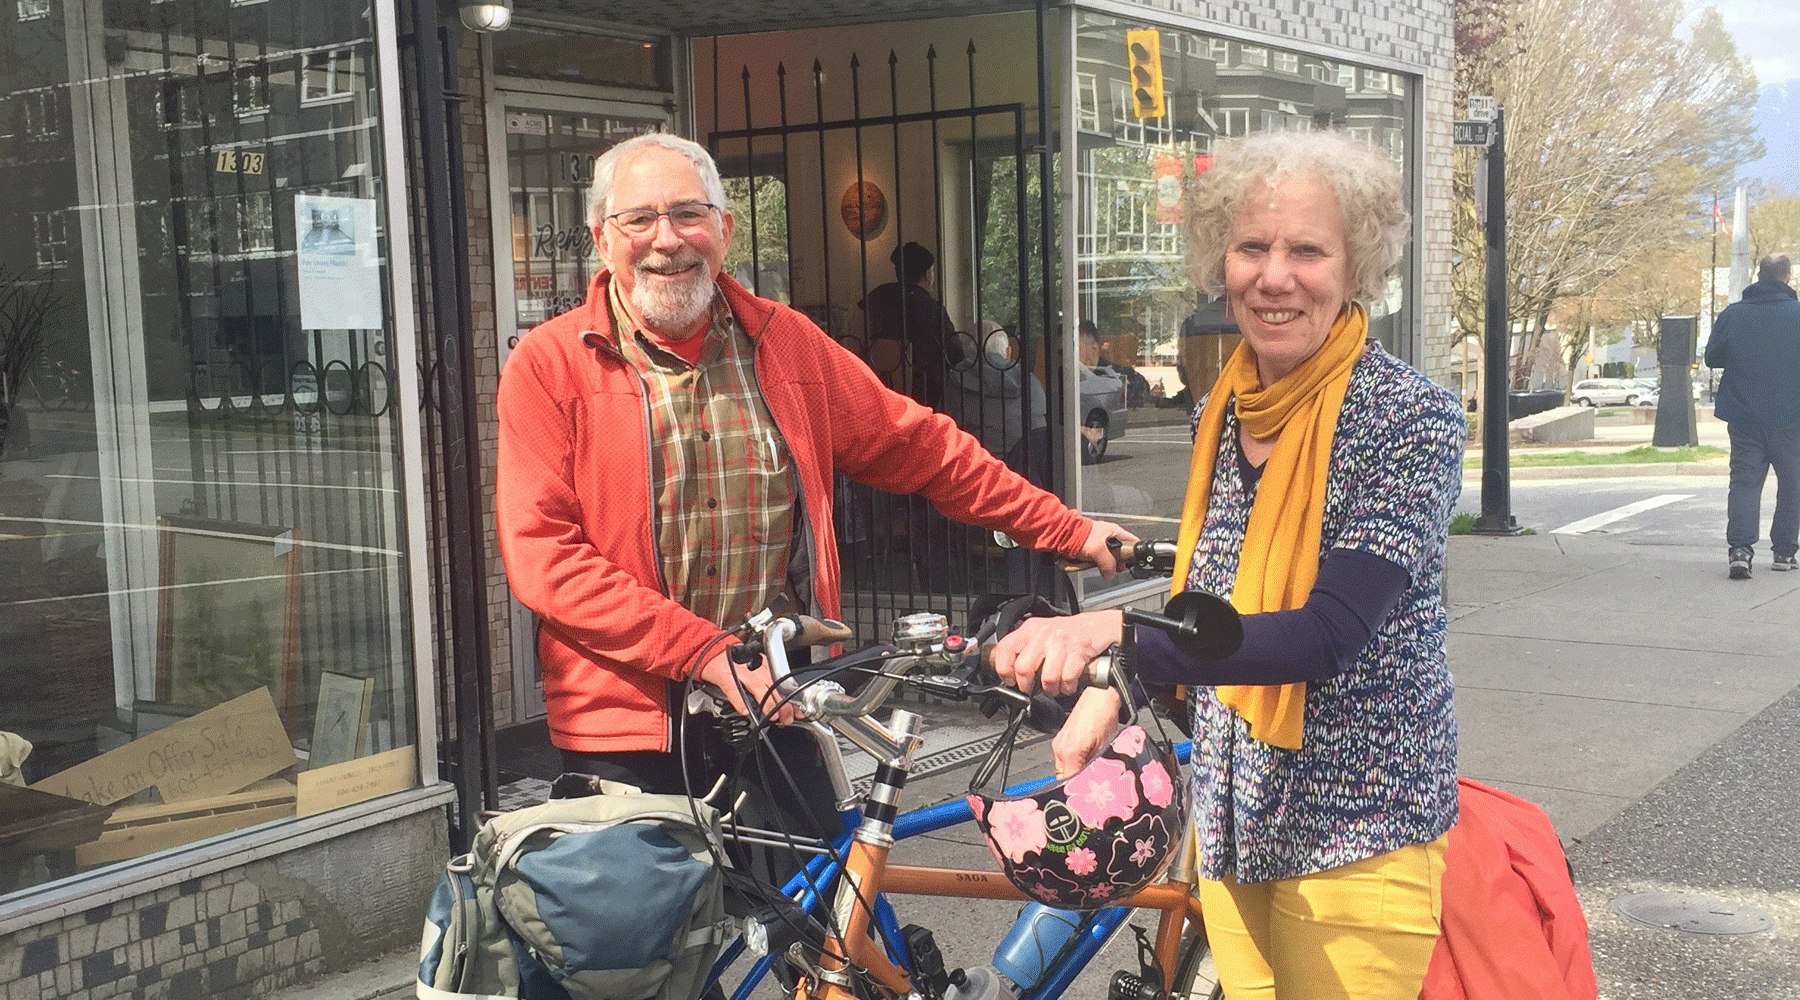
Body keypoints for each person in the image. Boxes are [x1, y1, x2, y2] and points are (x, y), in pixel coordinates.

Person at [494, 133, 1131, 889]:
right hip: (627, 728)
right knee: (655, 961)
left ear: (725, 230)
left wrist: (1071, 530)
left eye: (689, 214)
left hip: (780, 705)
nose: (666, 240)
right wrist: (705, 652)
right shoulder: (550, 363)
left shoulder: (785, 343)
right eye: (639, 220)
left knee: (829, 934)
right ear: (604, 238)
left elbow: (922, 446)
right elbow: (546, 561)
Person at [988, 130, 1465, 1000]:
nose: (1274, 276)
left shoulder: (1407, 417)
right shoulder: (1224, 404)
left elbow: (1325, 635)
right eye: (1252, 247)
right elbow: (1208, 607)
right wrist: (1110, 685)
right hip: (1235, 820)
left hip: (1356, 832)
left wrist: (1121, 634)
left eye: (1307, 251)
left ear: (1356, 267)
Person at [1704, 252, 1800, 578]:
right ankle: (1785, 553)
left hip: (1744, 416)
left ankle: (1740, 551)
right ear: (1787, 278)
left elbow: (1713, 357)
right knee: (1793, 483)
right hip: (1792, 418)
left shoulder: (1734, 314)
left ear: (1759, 276)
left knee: (1744, 483)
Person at [860, 241, 966, 408]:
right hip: (925, 393)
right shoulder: (931, 308)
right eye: (931, 271)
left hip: (881, 389)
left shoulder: (878, 298)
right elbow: (956, 354)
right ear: (926, 275)